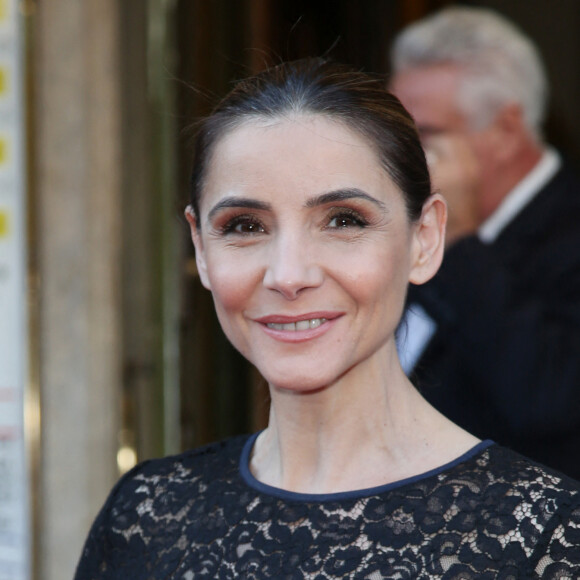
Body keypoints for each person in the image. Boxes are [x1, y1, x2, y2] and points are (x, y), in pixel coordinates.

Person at [74, 58, 580, 579]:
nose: (289, 275)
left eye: (343, 220)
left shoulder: (543, 537)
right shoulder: (145, 518)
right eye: (244, 225)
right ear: (201, 248)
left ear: (424, 239)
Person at [390, 6, 580, 479]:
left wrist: (455, 241)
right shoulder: (399, 220)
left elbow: (548, 402)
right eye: (394, 135)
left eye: (426, 135)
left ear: (507, 130)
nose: (401, 159)